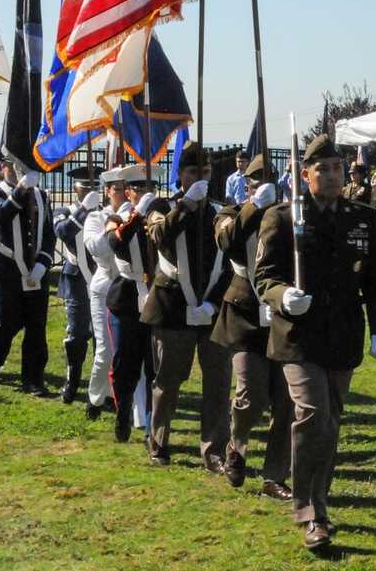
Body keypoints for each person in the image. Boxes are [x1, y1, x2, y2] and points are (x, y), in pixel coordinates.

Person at [255, 134, 376, 552]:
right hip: (298, 337)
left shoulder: (362, 217)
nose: (333, 176)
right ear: (305, 174)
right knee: (314, 413)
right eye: (323, 169)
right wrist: (283, 297)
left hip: (343, 335)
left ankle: (320, 501)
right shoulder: (283, 218)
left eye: (337, 168)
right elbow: (265, 277)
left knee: (330, 423)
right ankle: (311, 513)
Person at [144, 140, 232, 472]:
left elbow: (231, 263)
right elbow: (160, 237)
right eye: (194, 171)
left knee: (218, 382)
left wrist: (212, 303)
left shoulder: (222, 210)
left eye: (206, 172)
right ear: (179, 173)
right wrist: (186, 205)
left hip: (211, 310)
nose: (201, 178)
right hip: (172, 306)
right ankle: (159, 440)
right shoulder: (161, 204)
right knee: (168, 380)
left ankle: (214, 452)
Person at [211, 154, 293, 499]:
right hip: (245, 312)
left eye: (270, 183)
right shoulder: (230, 214)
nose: (265, 189)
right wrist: (253, 208)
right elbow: (227, 241)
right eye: (258, 183)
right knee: (251, 395)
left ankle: (274, 475)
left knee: (286, 402)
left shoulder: (289, 216)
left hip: (281, 313)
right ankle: (237, 447)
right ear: (247, 185)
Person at [0, 157, 56, 395]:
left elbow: (48, 234)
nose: (21, 170)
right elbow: (0, 215)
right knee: (5, 323)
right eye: (15, 165)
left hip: (35, 273)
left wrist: (43, 261)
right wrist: (22, 188)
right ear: (4, 167)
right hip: (5, 271)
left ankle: (33, 379)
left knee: (36, 327)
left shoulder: (41, 196)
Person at [105, 163, 162, 442]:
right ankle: (123, 410)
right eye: (139, 188)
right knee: (125, 365)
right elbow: (117, 243)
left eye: (149, 187)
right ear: (128, 192)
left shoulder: (161, 217)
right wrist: (138, 215)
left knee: (155, 367)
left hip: (156, 296)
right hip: (127, 297)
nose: (145, 192)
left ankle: (153, 423)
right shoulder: (117, 217)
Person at [81, 168, 129, 420]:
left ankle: (120, 399)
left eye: (125, 188)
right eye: (117, 189)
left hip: (131, 288)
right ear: (107, 191)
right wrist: (116, 221)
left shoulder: (136, 214)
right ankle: (95, 398)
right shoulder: (96, 218)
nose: (123, 194)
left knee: (129, 351)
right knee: (106, 350)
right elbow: (97, 249)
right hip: (106, 286)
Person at [52, 165, 101, 404]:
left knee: (103, 338)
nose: (91, 191)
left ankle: (101, 386)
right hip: (76, 280)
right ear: (76, 188)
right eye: (86, 187)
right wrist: (83, 209)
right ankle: (72, 380)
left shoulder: (104, 214)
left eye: (95, 187)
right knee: (77, 334)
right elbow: (63, 232)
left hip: (102, 280)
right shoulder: (65, 211)